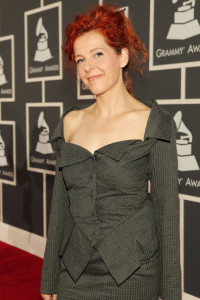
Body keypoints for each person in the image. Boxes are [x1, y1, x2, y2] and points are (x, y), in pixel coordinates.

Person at [40, 4, 182, 300]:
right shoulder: (70, 122)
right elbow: (60, 205)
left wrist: (170, 296)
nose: (87, 66)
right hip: (74, 271)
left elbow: (167, 217)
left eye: (98, 54)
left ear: (123, 56)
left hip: (133, 272)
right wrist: (49, 278)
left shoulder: (154, 123)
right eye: (80, 59)